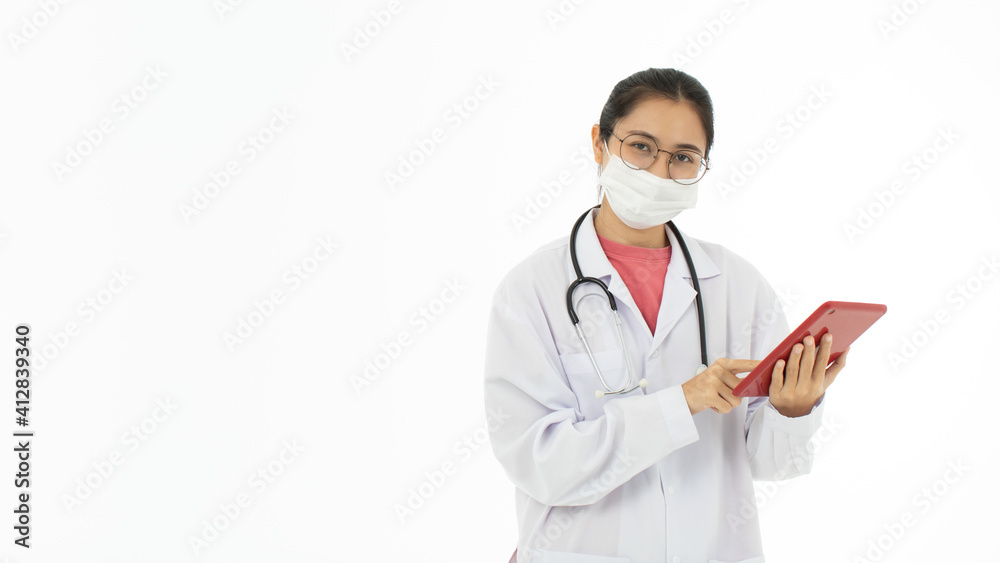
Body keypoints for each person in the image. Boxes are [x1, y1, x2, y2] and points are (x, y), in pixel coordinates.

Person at [483, 68, 849, 563]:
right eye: (640, 147)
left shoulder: (739, 285)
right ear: (599, 143)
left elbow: (770, 463)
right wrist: (681, 403)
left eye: (682, 157)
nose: (659, 172)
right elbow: (540, 463)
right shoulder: (533, 290)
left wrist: (793, 408)